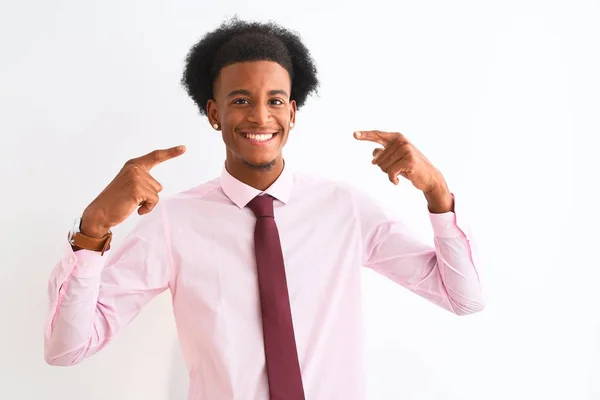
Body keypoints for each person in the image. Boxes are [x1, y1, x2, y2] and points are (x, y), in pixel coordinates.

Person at [44, 17, 484, 400]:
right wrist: (93, 229)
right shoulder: (174, 223)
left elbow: (462, 297)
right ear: (214, 113)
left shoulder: (344, 209)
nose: (259, 116)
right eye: (240, 100)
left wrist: (436, 192)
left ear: (292, 112)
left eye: (275, 100)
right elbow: (67, 348)